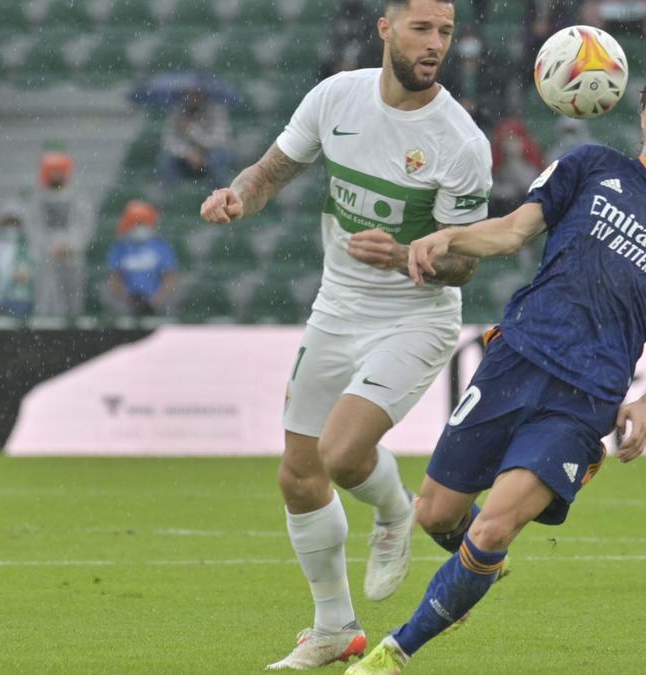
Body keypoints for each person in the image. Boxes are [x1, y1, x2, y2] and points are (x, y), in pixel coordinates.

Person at [346, 61, 646, 674]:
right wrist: (447, 238)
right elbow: (509, 234)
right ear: (640, 111)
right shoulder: (588, 168)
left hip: (584, 398)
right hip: (515, 360)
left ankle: (393, 654)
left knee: (496, 527)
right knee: (438, 515)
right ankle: (474, 574)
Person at [198, 1, 492, 669]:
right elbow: (269, 171)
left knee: (339, 453)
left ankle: (395, 510)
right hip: (338, 307)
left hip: (415, 316)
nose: (435, 44)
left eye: (445, 32)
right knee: (299, 478)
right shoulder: (337, 97)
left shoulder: (461, 141)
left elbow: (465, 263)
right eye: (422, 28)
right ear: (385, 28)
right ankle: (333, 627)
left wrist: (409, 252)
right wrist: (239, 195)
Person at [30, 151, 92, 318]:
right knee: (47, 293)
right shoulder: (39, 199)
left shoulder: (77, 196)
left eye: (59, 170)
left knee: (73, 295)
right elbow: (35, 228)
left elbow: (84, 224)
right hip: (48, 254)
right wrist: (50, 247)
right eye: (53, 171)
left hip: (71, 253)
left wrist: (71, 245)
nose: (56, 175)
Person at [104, 200, 178, 317]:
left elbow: (170, 279)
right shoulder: (120, 247)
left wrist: (155, 300)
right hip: (127, 302)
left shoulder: (161, 246)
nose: (139, 228)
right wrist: (128, 298)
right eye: (136, 223)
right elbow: (114, 279)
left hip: (157, 302)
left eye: (143, 223)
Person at [159, 86, 234, 197]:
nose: (191, 98)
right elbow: (168, 142)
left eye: (195, 94)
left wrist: (192, 130)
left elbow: (218, 141)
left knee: (218, 159)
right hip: (184, 158)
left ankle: (220, 199)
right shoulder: (176, 113)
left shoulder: (217, 111)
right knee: (165, 159)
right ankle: (165, 201)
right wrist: (188, 152)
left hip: (211, 155)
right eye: (187, 94)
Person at [0, 203, 35, 319]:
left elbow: (28, 274)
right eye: (8, 223)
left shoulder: (26, 249)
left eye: (14, 223)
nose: (11, 228)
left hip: (20, 302)